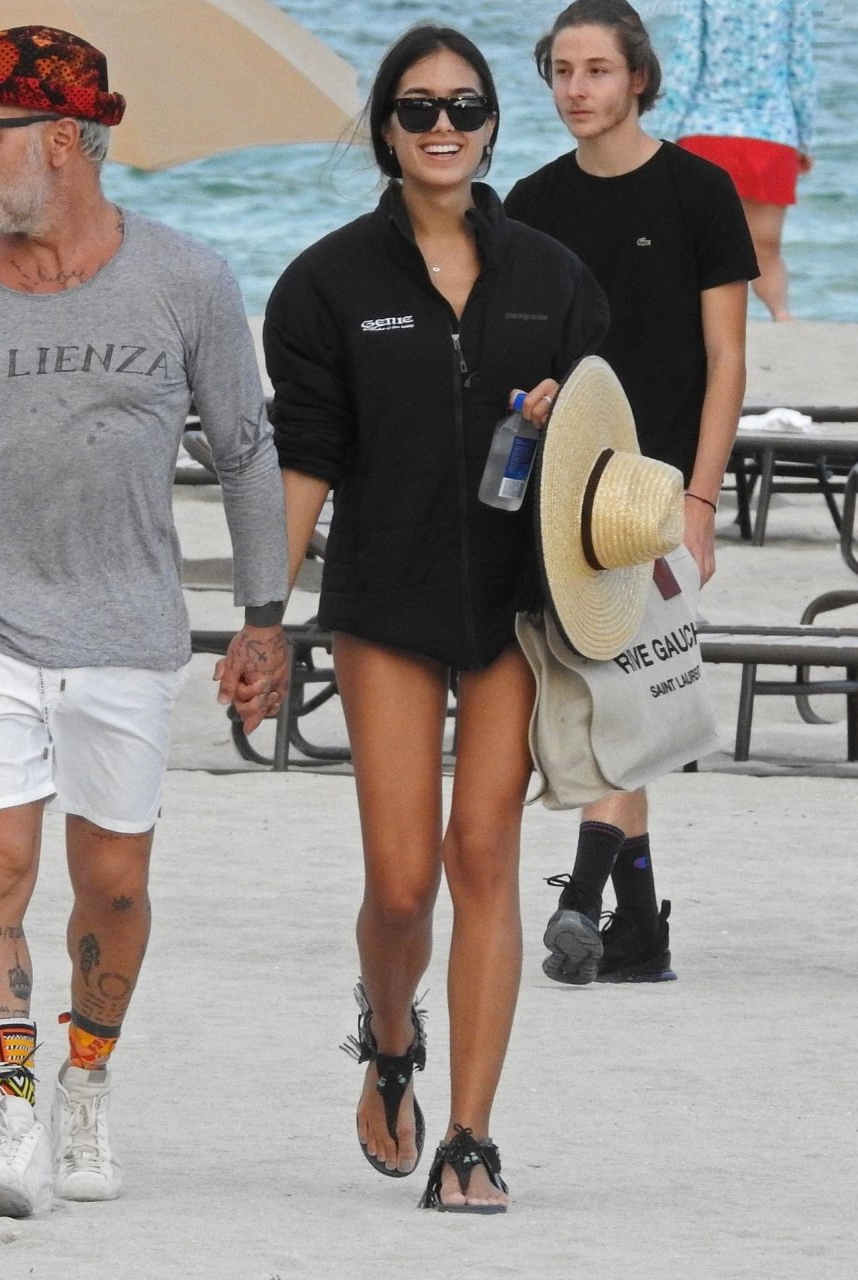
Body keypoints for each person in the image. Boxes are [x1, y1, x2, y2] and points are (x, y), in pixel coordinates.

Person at [0, 25, 289, 1219]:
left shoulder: (187, 278)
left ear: (66, 141)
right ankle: (12, 1120)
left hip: (126, 628)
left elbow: (246, 451)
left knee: (113, 890)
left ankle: (85, 1083)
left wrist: (262, 618)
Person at [264, 24, 608, 1212]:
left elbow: (608, 454)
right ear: (385, 129)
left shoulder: (553, 279)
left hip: (518, 608)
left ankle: (470, 1135)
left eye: (464, 105)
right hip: (387, 601)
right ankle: (391, 1037)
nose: (442, 125)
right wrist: (262, 617)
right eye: (417, 109)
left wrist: (570, 424)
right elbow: (305, 460)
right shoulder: (326, 283)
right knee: (404, 884)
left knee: (484, 855)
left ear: (492, 124)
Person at [505, 0, 757, 986]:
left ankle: (579, 900)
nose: (576, 90)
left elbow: (726, 358)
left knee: (628, 691)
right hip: (564, 495)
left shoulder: (700, 191)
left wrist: (700, 502)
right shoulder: (530, 200)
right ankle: (639, 932)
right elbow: (521, 353)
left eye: (597, 70)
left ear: (638, 78)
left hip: (654, 503)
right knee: (613, 697)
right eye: (562, 71)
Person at [658, 0, 816, 322]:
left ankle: (687, 323)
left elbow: (687, 59)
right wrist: (805, 138)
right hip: (772, 134)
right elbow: (801, 66)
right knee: (766, 249)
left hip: (705, 131)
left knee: (695, 249)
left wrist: (663, 132)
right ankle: (782, 317)